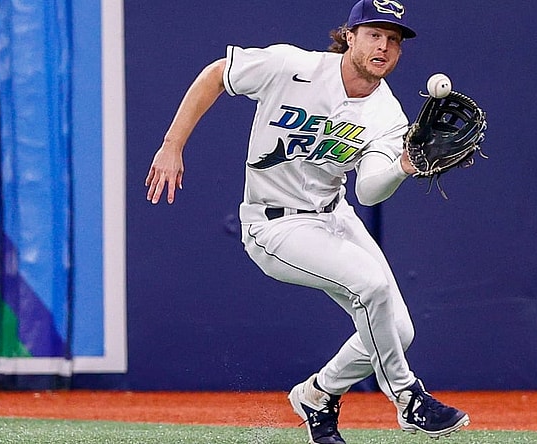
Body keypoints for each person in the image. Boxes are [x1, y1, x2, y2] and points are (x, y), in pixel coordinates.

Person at [144, 0, 470, 442]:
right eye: (374, 34)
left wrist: (404, 165)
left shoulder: (387, 113)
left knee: (398, 330)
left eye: (394, 40)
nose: (384, 46)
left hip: (333, 214)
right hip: (272, 225)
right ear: (349, 36)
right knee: (370, 287)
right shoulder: (290, 66)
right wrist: (172, 143)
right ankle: (407, 396)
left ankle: (319, 393)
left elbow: (368, 189)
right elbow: (216, 74)